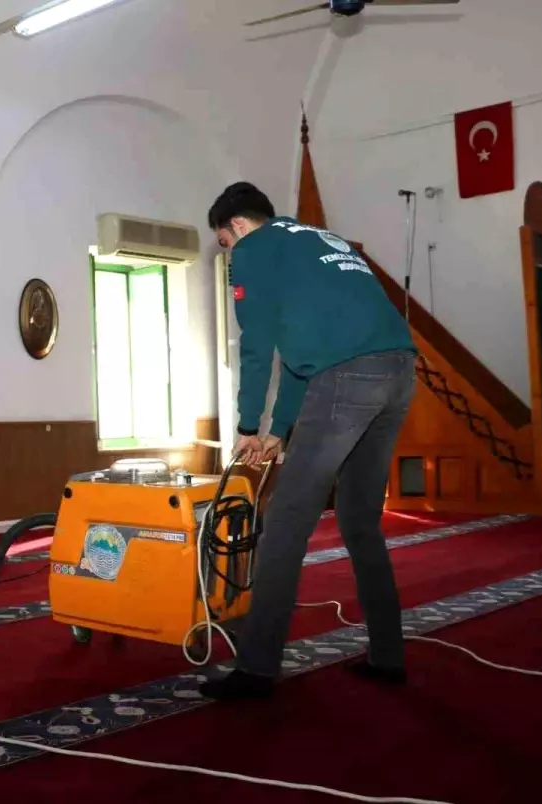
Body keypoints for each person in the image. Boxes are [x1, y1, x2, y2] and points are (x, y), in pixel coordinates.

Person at [198, 182, 417, 700]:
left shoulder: (253, 250)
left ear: (237, 228)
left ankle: (255, 672)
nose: (228, 254)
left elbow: (256, 345)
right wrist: (278, 433)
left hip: (348, 379)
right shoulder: (321, 240)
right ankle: (388, 657)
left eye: (223, 243)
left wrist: (247, 425)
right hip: (399, 372)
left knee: (285, 522)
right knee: (360, 520)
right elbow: (301, 359)